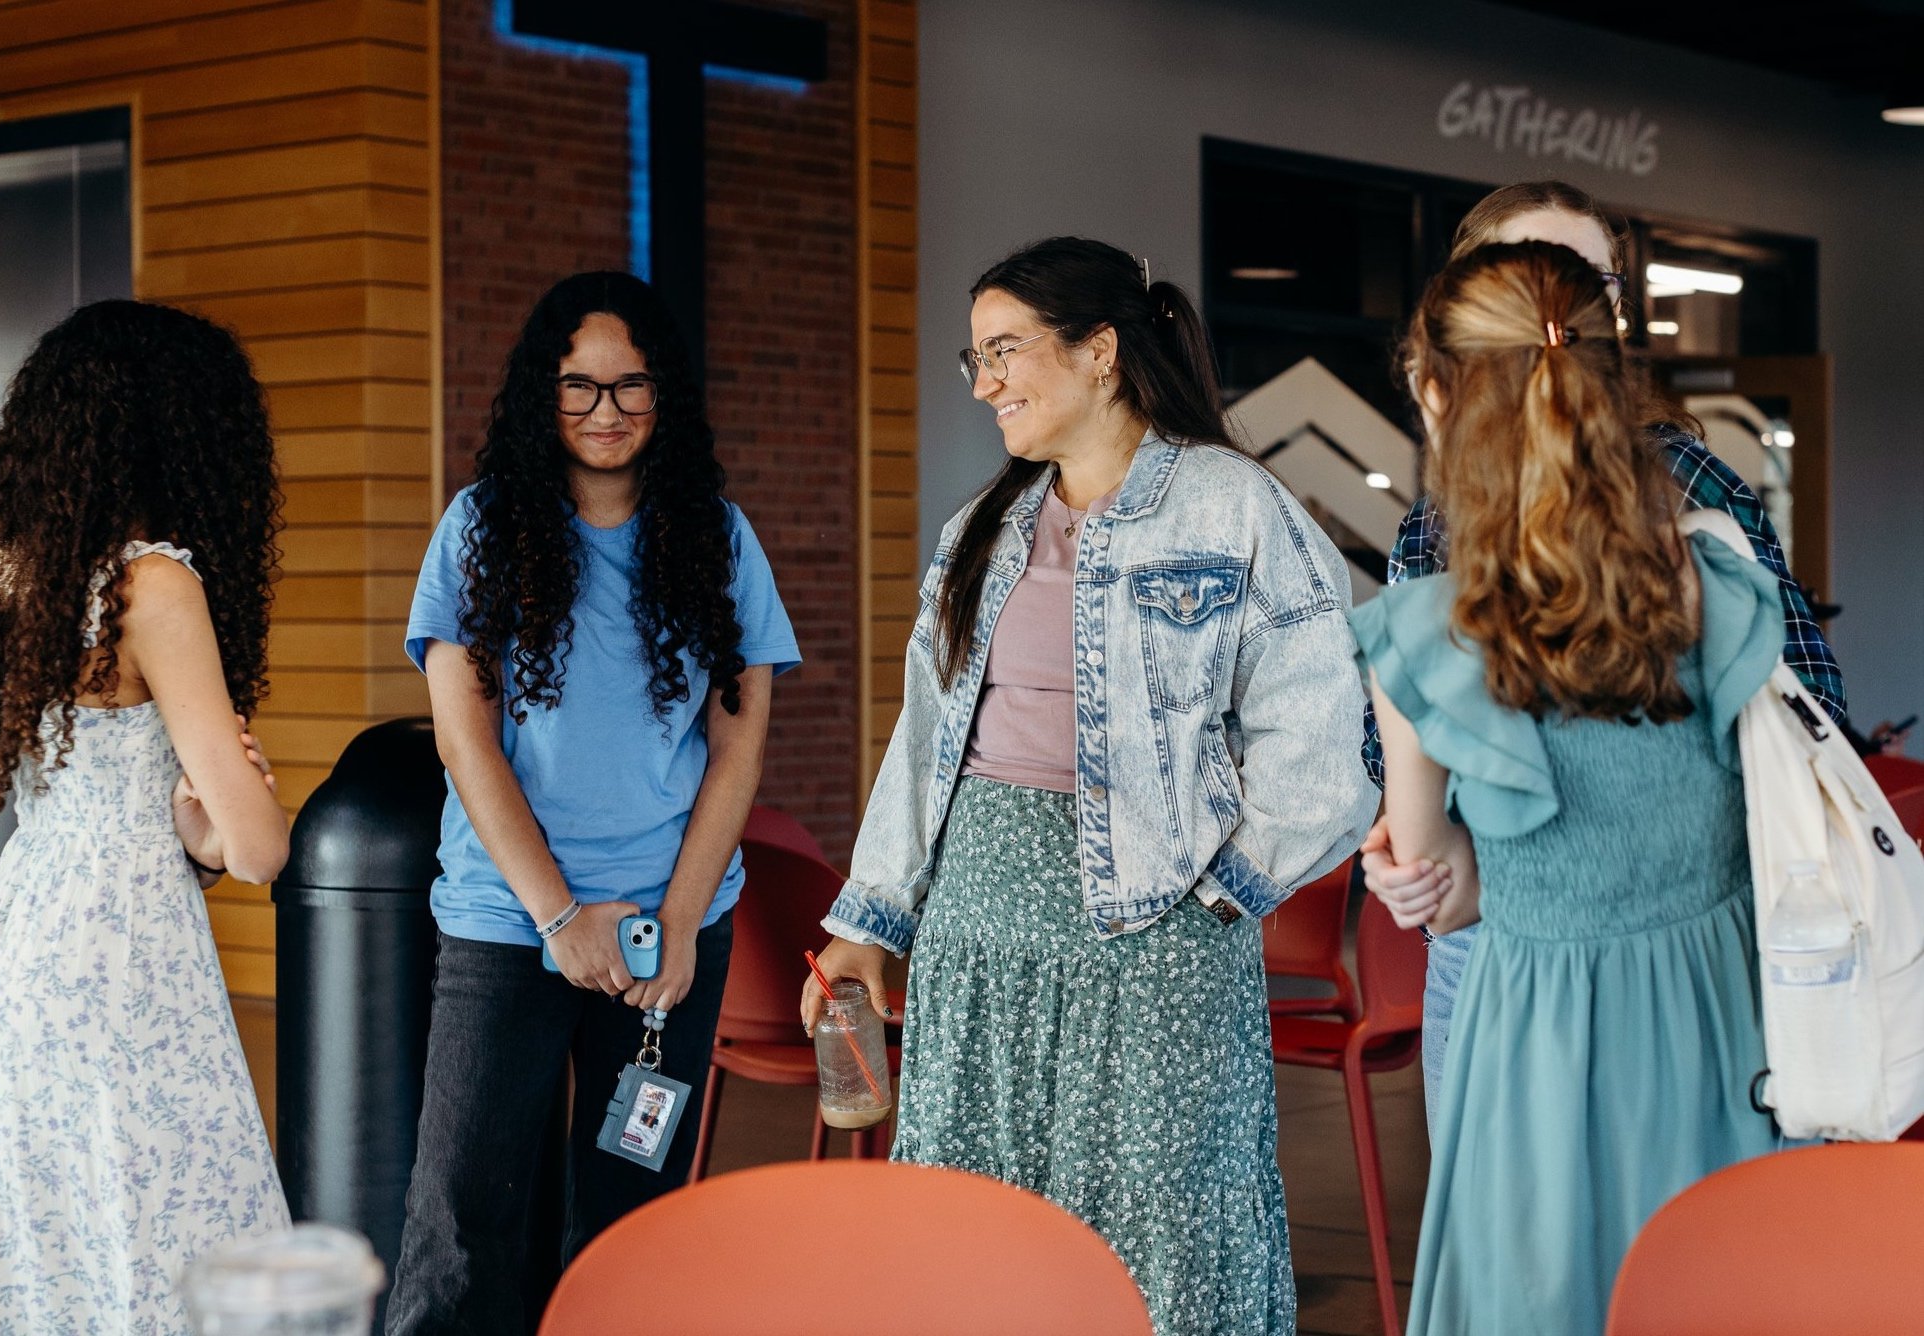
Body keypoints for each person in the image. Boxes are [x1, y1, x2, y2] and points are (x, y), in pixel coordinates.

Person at [801, 237, 1377, 1335]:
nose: (987, 383)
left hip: (1153, 943)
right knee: (978, 1229)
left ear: (1101, 351)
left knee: (1162, 1235)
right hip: (978, 934)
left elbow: (1326, 743)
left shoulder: (1235, 506)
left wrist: (1220, 899)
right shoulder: (980, 528)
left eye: (1006, 350)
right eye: (973, 360)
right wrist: (868, 924)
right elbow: (924, 744)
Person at [1356, 240, 1795, 1334]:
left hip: (1540, 1034)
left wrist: (1427, 863)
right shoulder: (1720, 582)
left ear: (1433, 393)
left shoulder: (1424, 633)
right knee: (1720, 1292)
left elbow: (1441, 888)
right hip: (1723, 1022)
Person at [1359, 180, 1847, 1127]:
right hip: (1520, 958)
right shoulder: (1434, 532)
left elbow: (1806, 722)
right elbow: (1400, 790)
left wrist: (1432, 853)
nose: (1563, 303)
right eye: (1532, 272)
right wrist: (1407, 863)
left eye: (1590, 283)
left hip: (1646, 951)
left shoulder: (1694, 489)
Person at [385, 271, 799, 1332]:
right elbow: (464, 740)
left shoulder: (717, 536)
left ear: (665, 397)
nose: (606, 413)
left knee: (634, 1212)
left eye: (630, 387)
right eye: (580, 388)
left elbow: (738, 748)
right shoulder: (479, 529)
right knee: (463, 1215)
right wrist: (562, 919)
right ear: (542, 393)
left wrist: (675, 923)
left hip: (669, 933)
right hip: (508, 920)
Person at [0, 300, 293, 1332]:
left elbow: (184, 829)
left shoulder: (14, 568)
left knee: (44, 1271)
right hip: (117, 968)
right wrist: (236, 805)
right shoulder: (154, 582)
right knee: (170, 1261)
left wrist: (197, 825)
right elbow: (263, 849)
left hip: (12, 953)